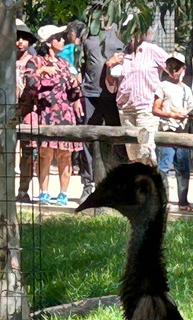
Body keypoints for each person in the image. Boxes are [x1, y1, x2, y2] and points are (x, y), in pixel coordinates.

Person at [25, 24, 83, 206]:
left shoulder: (65, 64)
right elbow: (30, 86)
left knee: (65, 155)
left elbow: (73, 95)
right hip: (46, 114)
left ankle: (63, 194)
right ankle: (43, 193)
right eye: (59, 38)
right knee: (45, 155)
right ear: (49, 43)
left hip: (65, 115)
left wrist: (75, 85)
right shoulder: (35, 62)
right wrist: (41, 72)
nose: (63, 40)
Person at [104, 26, 169, 165]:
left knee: (146, 152)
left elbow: (175, 69)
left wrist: (161, 95)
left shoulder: (152, 50)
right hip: (126, 109)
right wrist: (110, 67)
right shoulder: (122, 55)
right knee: (133, 155)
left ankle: (150, 185)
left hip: (146, 108)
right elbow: (112, 86)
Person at [79, 19, 127, 195]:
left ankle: (121, 184)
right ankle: (87, 185)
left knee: (119, 139)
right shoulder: (87, 33)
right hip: (89, 93)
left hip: (114, 95)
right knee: (88, 139)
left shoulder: (121, 30)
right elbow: (80, 64)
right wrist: (78, 94)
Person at [153, 53, 193, 213]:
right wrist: (171, 115)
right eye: (171, 67)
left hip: (182, 132)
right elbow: (155, 109)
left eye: (177, 67)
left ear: (184, 69)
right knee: (164, 167)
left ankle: (183, 201)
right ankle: (161, 202)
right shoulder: (163, 86)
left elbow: (191, 109)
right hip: (167, 132)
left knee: (183, 169)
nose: (174, 71)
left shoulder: (186, 90)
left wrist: (189, 115)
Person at [15, 21, 38, 203]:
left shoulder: (34, 62)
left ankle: (23, 190)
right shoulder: (7, 60)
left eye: (24, 38)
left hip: (28, 110)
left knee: (27, 152)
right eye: (17, 38)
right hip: (7, 110)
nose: (20, 41)